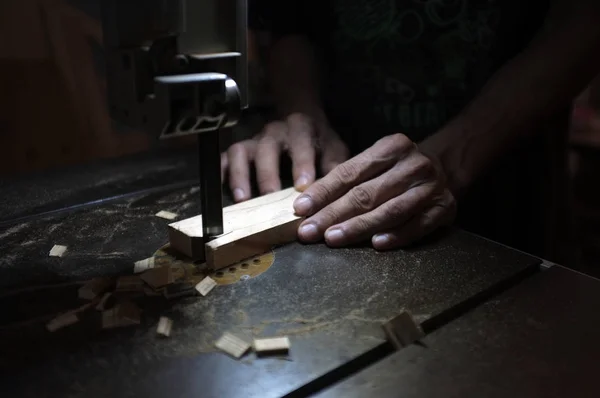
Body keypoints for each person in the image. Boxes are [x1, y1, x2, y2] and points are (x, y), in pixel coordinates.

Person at [222, 0, 600, 259]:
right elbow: (291, 21)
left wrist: (453, 157)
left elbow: (584, 22)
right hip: (341, 168)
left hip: (508, 200)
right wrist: (303, 114)